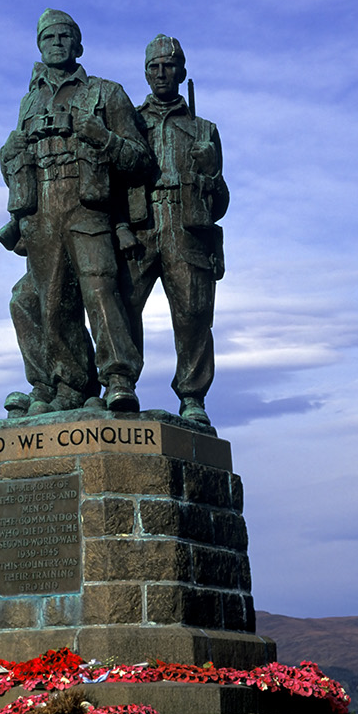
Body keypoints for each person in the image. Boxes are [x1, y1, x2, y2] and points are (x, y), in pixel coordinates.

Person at [0, 9, 152, 416]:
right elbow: (18, 162)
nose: (57, 43)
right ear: (39, 45)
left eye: (65, 36)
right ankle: (67, 385)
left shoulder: (106, 92)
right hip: (42, 210)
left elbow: (141, 160)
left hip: (89, 206)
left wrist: (100, 136)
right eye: (49, 37)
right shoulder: (30, 101)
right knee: (49, 302)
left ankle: (119, 378)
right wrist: (7, 157)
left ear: (79, 45)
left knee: (100, 288)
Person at [121, 34, 229, 428]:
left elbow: (220, 205)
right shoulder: (128, 120)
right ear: (146, 73)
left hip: (186, 227)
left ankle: (192, 396)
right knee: (124, 303)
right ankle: (122, 384)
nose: (161, 73)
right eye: (154, 66)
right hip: (142, 224)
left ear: (182, 72)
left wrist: (211, 171)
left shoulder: (204, 129)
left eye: (169, 65)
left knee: (193, 314)